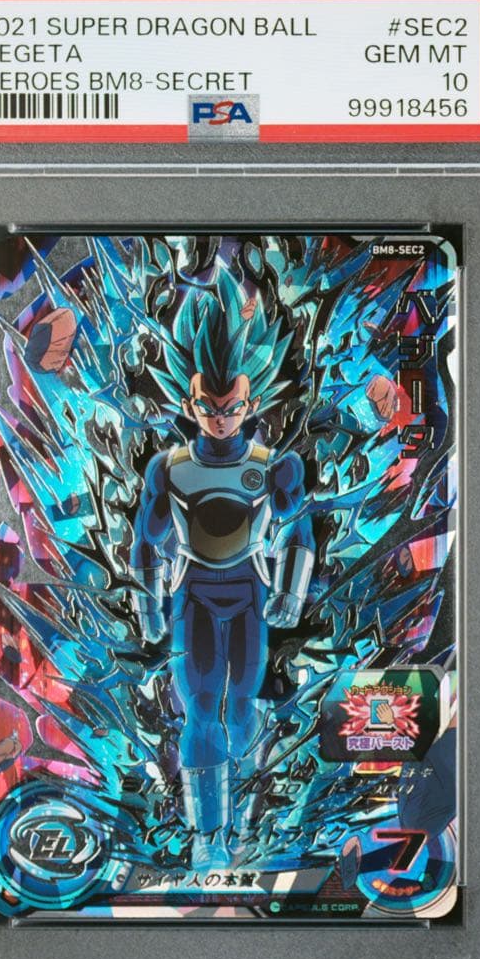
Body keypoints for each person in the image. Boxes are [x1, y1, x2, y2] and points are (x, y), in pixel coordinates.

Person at [129, 264, 315, 868]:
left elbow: (298, 530)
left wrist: (291, 591)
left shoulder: (273, 464)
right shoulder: (170, 468)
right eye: (208, 407)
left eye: (230, 406)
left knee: (242, 709)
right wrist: (149, 604)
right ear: (189, 403)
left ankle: (245, 823)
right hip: (194, 597)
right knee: (202, 710)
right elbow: (146, 540)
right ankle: (209, 835)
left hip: (251, 595)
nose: (219, 417)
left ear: (249, 403)